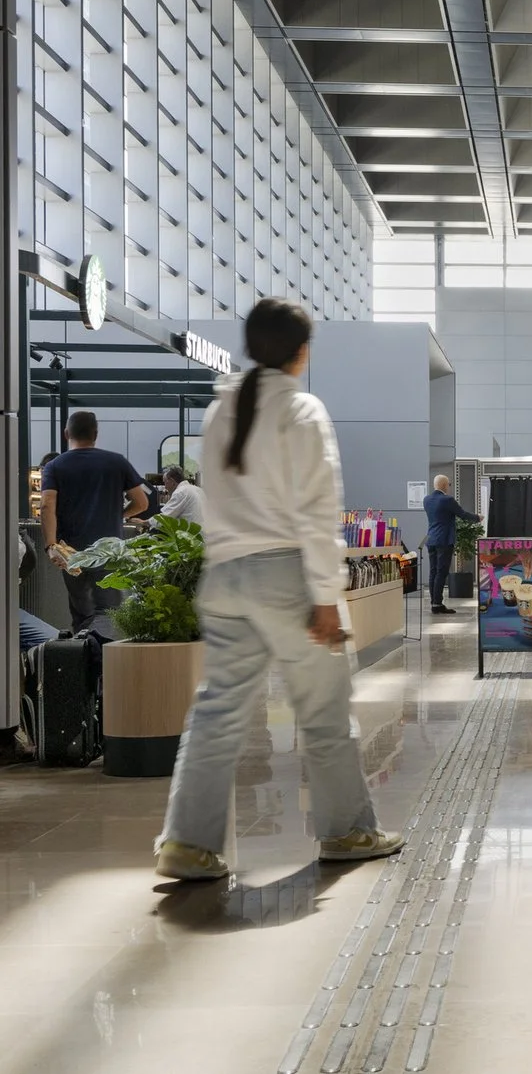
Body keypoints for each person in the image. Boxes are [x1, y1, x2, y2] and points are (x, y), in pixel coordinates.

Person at [155, 298, 404, 881]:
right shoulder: (302, 409)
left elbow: (214, 500)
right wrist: (325, 595)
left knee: (217, 712)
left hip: (225, 578)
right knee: (321, 710)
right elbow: (318, 510)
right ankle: (346, 829)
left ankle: (186, 843)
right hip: (287, 577)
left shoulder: (221, 412)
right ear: (300, 353)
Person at [40, 411, 146, 633]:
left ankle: (84, 660)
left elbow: (47, 505)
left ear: (66, 433)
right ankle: (109, 661)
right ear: (95, 434)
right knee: (111, 612)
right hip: (109, 551)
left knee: (82, 614)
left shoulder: (55, 466)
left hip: (72, 553)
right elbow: (141, 502)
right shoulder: (116, 462)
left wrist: (51, 546)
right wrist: (118, 515)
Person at [422, 473, 476, 614]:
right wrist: (478, 518)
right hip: (444, 540)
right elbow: (462, 514)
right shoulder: (447, 500)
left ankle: (434, 603)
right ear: (445, 485)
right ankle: (437, 603)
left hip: (431, 539)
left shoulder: (426, 500)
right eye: (449, 484)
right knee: (442, 572)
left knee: (433, 571)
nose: (449, 487)